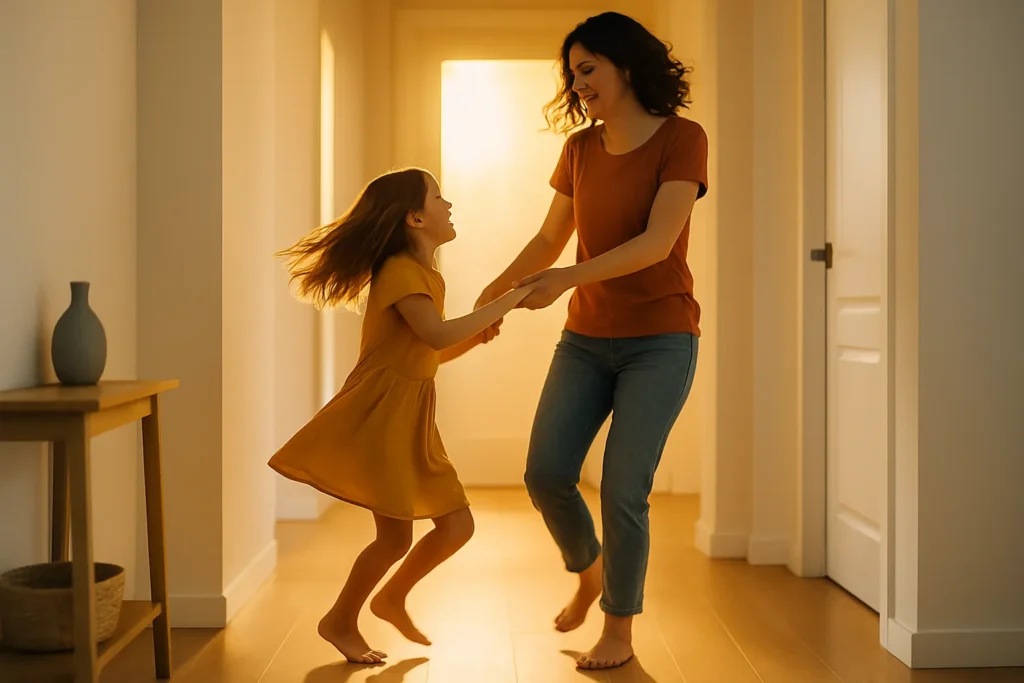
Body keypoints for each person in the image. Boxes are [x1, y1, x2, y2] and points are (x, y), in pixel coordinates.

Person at [475, 12, 708, 671]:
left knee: (623, 485)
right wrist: (496, 290)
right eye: (571, 73)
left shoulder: (682, 139)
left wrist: (563, 278)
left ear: (625, 66)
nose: (577, 83)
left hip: (660, 338)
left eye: (588, 69)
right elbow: (549, 239)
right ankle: (588, 570)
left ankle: (619, 629)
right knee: (546, 472)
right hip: (585, 337)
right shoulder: (579, 149)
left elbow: (657, 242)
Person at [270, 168, 535, 664]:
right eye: (438, 196)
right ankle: (342, 620)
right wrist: (511, 299)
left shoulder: (425, 275)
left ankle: (387, 600)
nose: (449, 203)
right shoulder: (399, 271)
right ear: (415, 217)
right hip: (381, 416)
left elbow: (424, 353)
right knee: (398, 537)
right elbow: (435, 335)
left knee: (452, 528)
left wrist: (475, 337)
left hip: (410, 415)